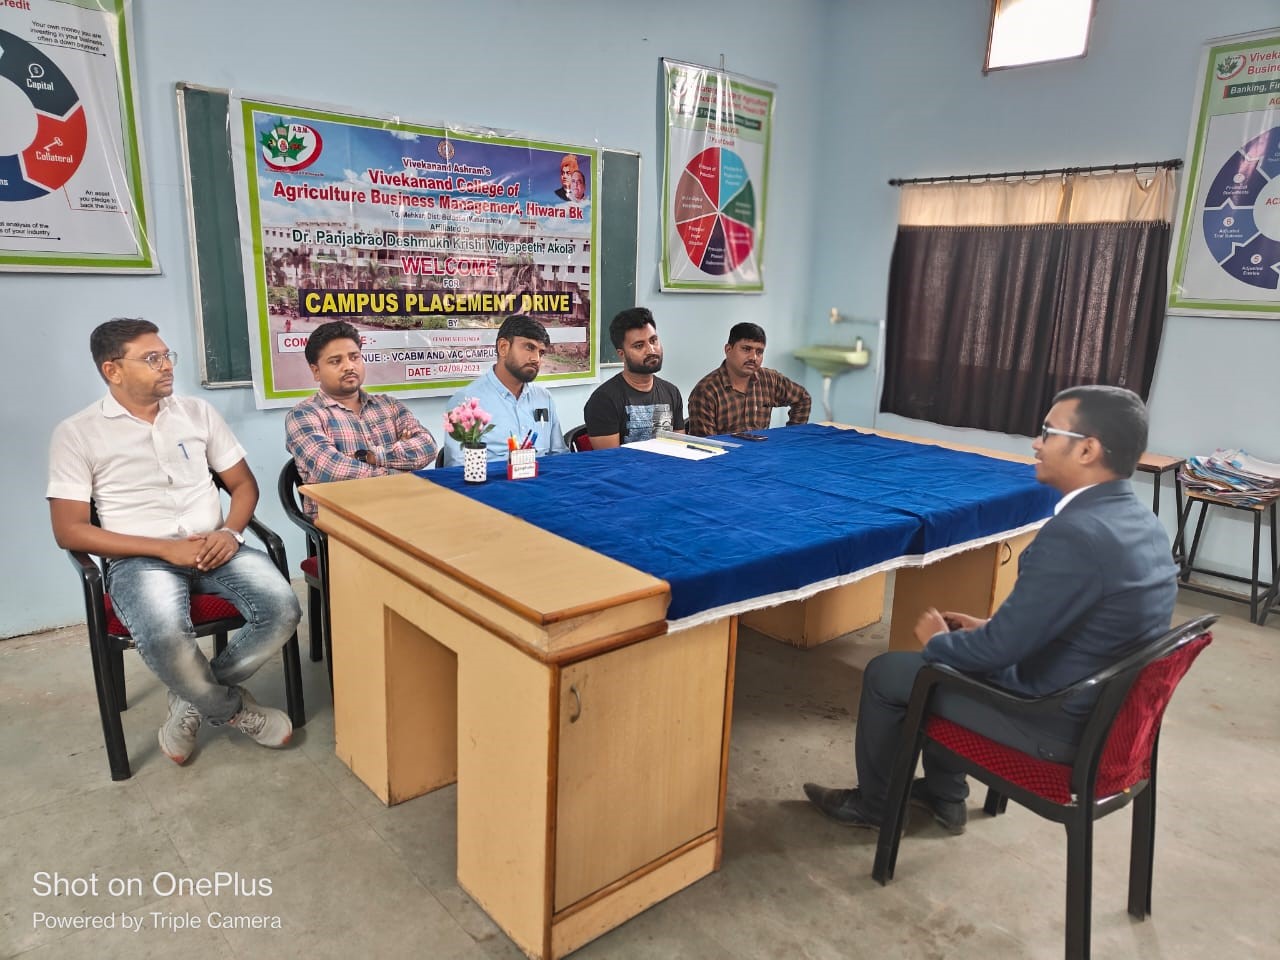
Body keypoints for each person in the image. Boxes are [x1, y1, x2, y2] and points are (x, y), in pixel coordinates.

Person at [802, 385, 1179, 833]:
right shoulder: (1144, 523)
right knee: (952, 655)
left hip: (1052, 722)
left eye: (1048, 433)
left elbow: (994, 654)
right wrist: (988, 627)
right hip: (1098, 708)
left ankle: (875, 807)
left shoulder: (1076, 534)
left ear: (1087, 450)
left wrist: (939, 642)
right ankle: (944, 798)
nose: (1036, 444)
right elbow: (1080, 621)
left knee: (893, 673)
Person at [47, 318, 303, 766]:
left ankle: (191, 698)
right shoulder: (78, 433)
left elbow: (243, 486)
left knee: (283, 608)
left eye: (167, 356)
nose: (167, 366)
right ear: (113, 370)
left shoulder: (197, 413)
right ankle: (229, 708)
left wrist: (230, 532)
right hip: (140, 560)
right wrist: (165, 548)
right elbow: (69, 530)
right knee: (165, 635)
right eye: (152, 358)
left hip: (217, 547)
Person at [285, 320, 438, 517]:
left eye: (354, 357)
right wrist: (397, 472)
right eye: (336, 361)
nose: (349, 366)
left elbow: (427, 446)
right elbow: (333, 469)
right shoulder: (304, 415)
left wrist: (372, 456)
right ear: (316, 371)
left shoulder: (389, 406)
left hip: (401, 510)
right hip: (341, 520)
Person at [441, 315, 568, 464]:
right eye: (529, 347)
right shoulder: (466, 402)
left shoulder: (544, 398)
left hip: (543, 477)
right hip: (492, 479)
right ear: (503, 347)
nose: (536, 359)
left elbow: (560, 456)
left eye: (541, 352)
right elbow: (458, 468)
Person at [583, 308, 685, 448]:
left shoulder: (671, 392)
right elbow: (612, 459)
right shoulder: (603, 400)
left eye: (653, 340)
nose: (651, 350)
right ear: (622, 354)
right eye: (639, 346)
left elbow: (679, 450)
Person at [685, 322, 811, 436]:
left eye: (759, 352)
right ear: (728, 350)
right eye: (746, 349)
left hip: (762, 452)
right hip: (725, 454)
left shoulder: (770, 379)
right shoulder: (706, 391)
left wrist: (791, 436)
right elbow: (705, 447)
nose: (753, 357)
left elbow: (803, 398)